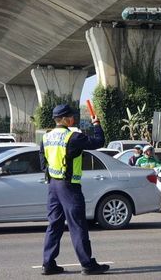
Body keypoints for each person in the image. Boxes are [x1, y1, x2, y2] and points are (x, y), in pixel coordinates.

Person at [39, 104, 110, 276]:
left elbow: (42, 163)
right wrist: (96, 125)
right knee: (77, 226)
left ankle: (48, 264)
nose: (73, 119)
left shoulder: (46, 137)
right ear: (63, 119)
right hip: (69, 187)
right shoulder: (73, 137)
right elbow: (99, 142)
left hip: (53, 186)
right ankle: (87, 264)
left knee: (54, 225)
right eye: (70, 116)